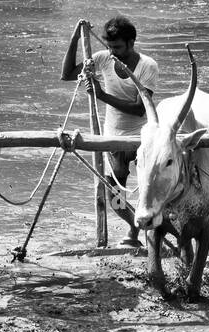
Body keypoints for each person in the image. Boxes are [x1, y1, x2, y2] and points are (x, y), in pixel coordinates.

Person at [60, 15, 160, 247]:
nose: (113, 52)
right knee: (114, 196)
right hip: (113, 137)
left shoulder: (147, 66)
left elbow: (138, 108)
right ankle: (137, 229)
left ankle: (143, 232)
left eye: (118, 47)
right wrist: (75, 38)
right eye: (110, 47)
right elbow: (67, 75)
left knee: (149, 188)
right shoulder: (103, 59)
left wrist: (101, 95)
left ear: (131, 43)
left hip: (143, 137)